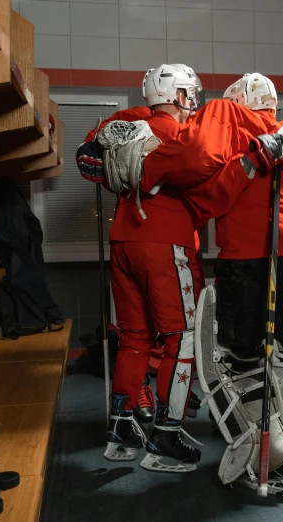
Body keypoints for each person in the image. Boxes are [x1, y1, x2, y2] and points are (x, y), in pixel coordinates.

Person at [98, 73, 283, 499]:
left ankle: (273, 461)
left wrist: (147, 167)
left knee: (245, 362)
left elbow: (192, 158)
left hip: (249, 256)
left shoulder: (226, 118)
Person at [76, 63, 205, 473]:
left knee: (132, 337)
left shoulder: (128, 122)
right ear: (181, 96)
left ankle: (123, 429)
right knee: (181, 339)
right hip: (165, 242)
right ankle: (166, 434)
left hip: (123, 240)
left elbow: (88, 151)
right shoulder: (182, 134)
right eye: (191, 94)